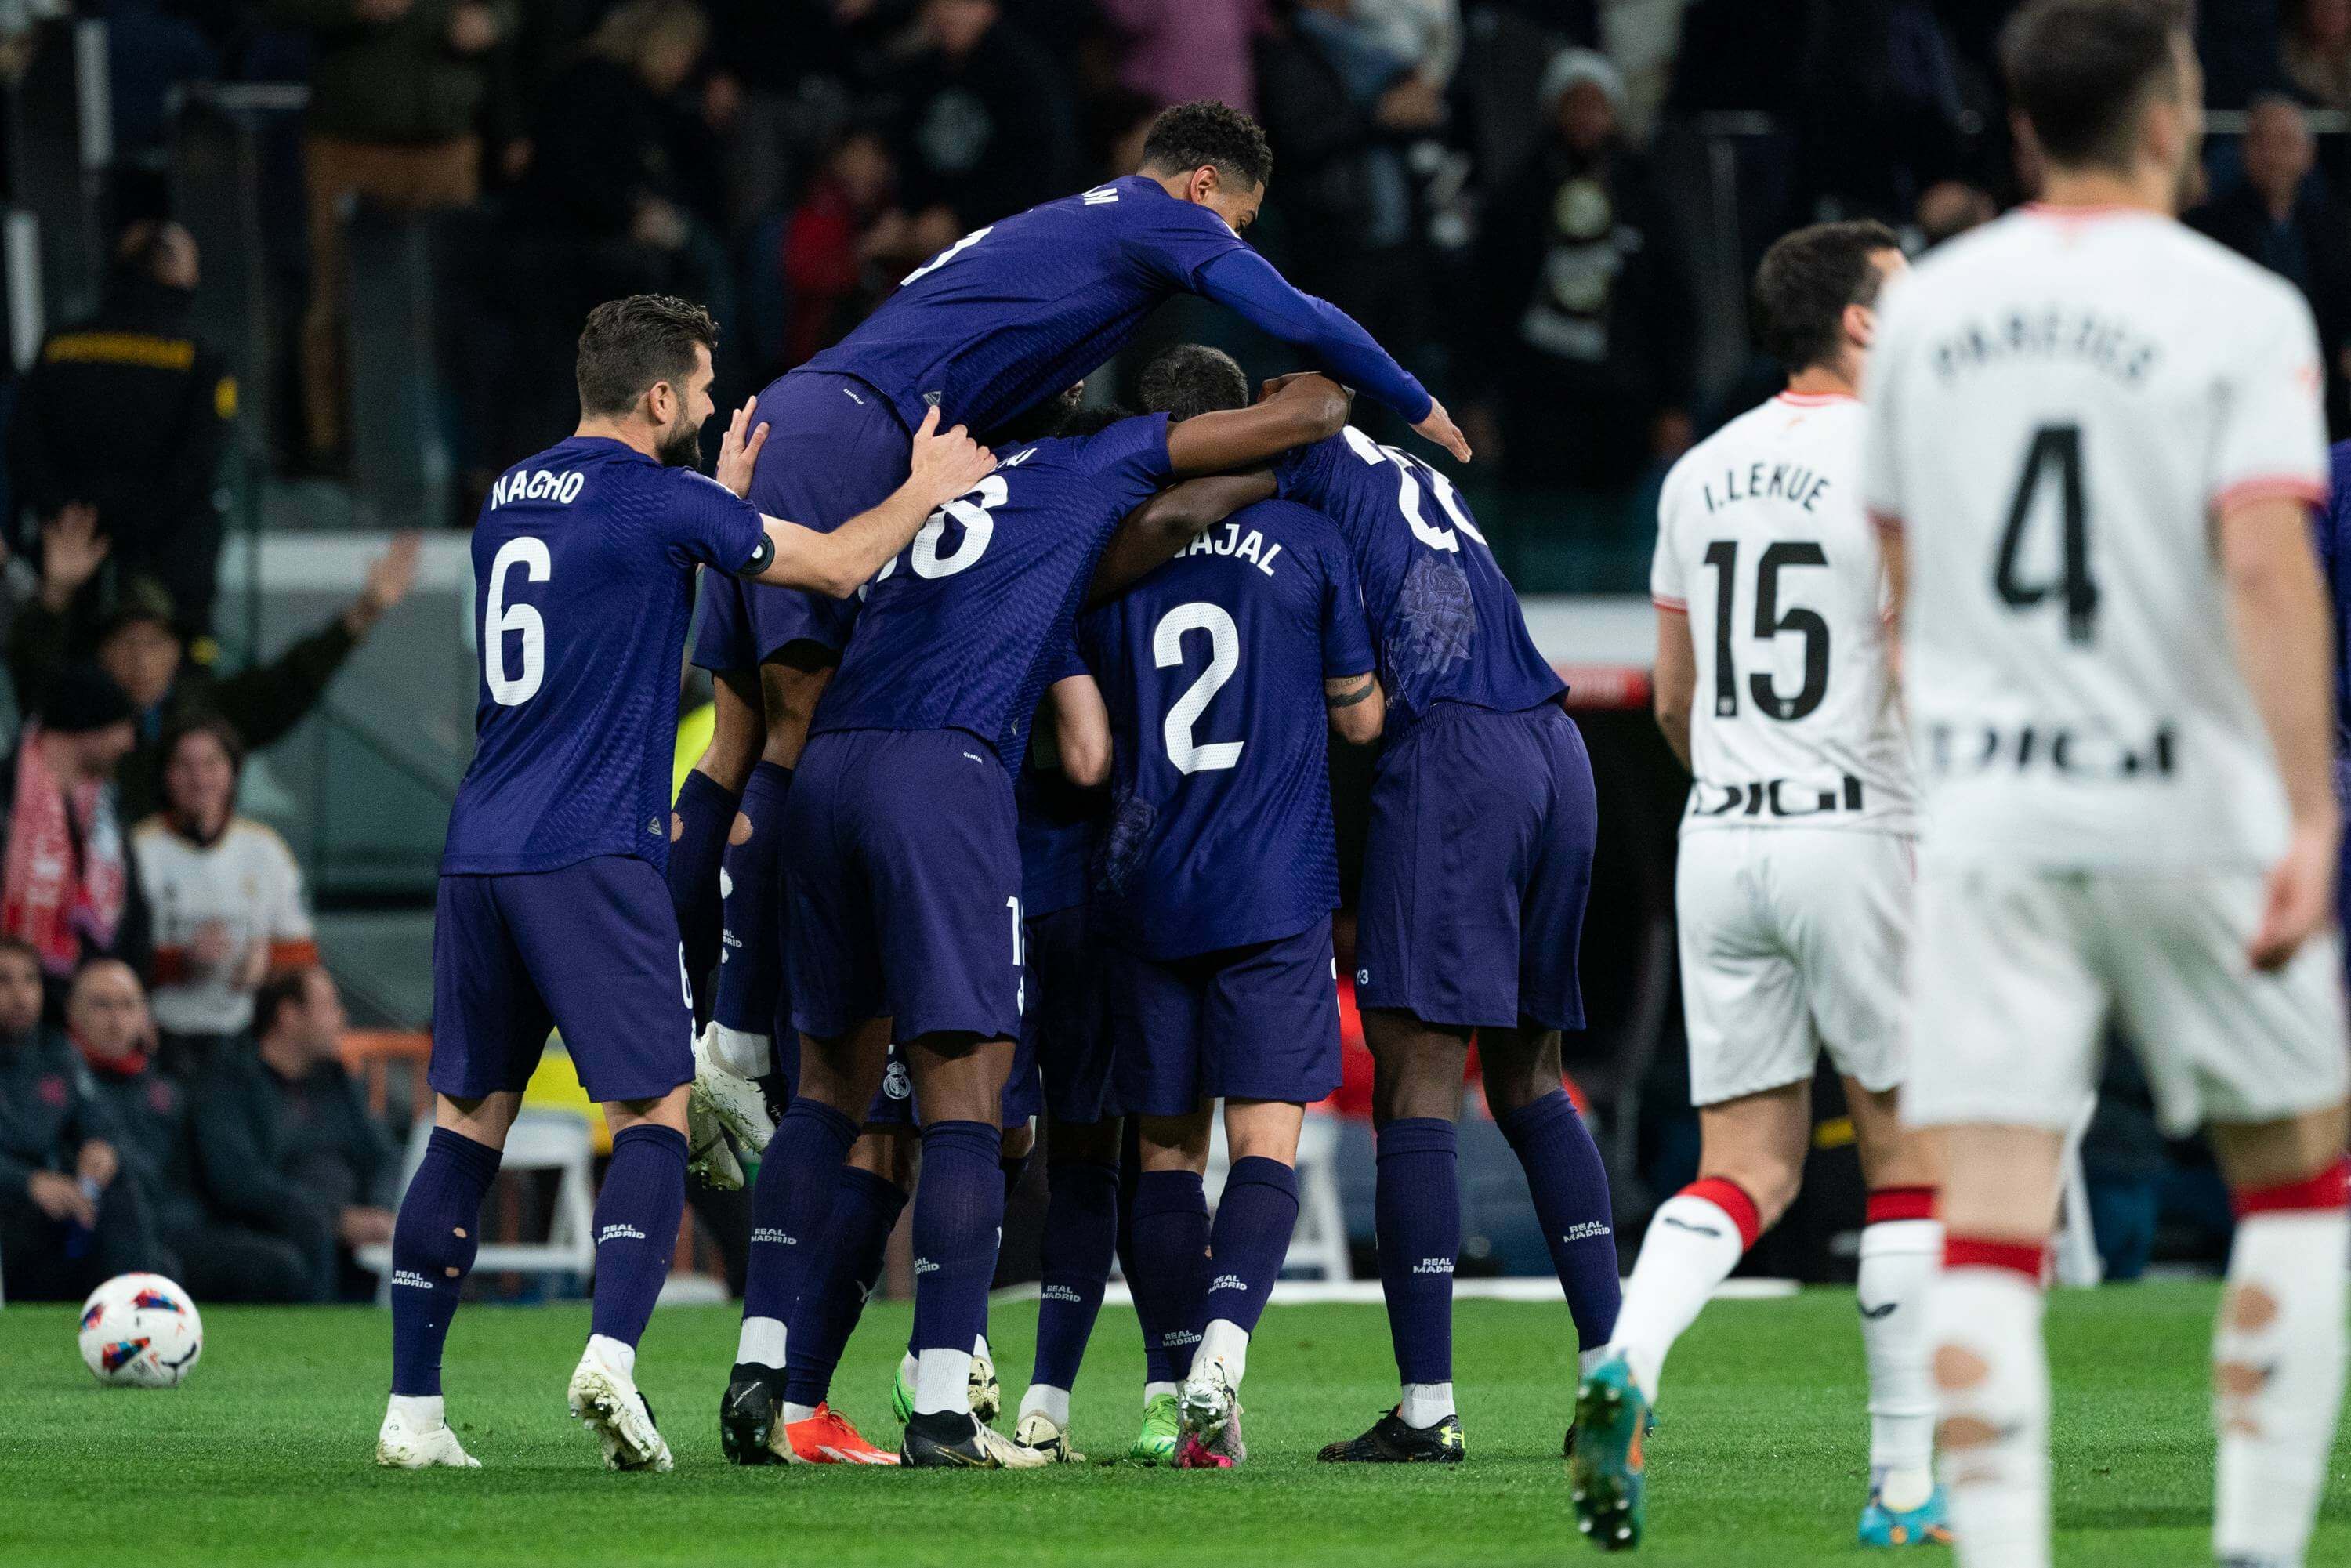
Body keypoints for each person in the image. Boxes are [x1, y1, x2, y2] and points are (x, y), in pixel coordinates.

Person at [669, 98, 1462, 1276]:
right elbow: (1294, 318)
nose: (1232, 249)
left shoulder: (1062, 228)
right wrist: (1411, 398)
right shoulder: (1153, 224)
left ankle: (689, 1020)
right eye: (1236, 225)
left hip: (817, 413)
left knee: (740, 741)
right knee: (795, 732)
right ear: (1202, 189)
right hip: (859, 436)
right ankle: (728, 1045)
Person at [1864, 6, 2349, 1566]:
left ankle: (2003, 1551)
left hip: (1999, 808)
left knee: (1992, 1203)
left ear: (2020, 130)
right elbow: (2267, 564)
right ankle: (2260, 1549)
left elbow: (1901, 562)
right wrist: (2313, 807)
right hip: (2193, 796)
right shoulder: (2238, 304)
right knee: (2297, 1174)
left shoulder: (1930, 310)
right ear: (2168, 120)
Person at [375, 292, 994, 1474]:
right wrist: (926, 487)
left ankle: (414, 1412)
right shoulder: (667, 498)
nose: (713, 407)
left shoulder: (507, 494)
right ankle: (611, 1355)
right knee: (657, 1116)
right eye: (703, 390)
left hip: (479, 848)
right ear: (659, 398)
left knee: (465, 1128)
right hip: (590, 850)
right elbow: (841, 560)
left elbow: (613, 570)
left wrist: (730, 503)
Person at [715, 370, 1351, 1470]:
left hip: (830, 784)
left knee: (845, 1101)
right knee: (1004, 1125)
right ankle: (957, 1408)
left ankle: (777, 1374)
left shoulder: (916, 503)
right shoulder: (1059, 517)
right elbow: (1096, 747)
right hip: (1000, 842)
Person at [1133, 354, 1616, 1466]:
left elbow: (1187, 515)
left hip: (1453, 754)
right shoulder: (1399, 467)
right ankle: (1607, 1379)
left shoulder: (1283, 456)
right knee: (1532, 1075)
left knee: (1416, 1078)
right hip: (1555, 742)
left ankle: (1427, 1406)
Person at [1571, 221, 1947, 1552]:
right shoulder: (1899, 461)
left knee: (1746, 1163)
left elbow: (1673, 702)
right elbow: (1914, 664)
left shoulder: (1697, 474)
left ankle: (1626, 1360)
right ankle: (1905, 1489)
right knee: (1912, 1165)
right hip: (1860, 825)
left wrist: (1740, 779)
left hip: (1720, 833)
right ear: (1854, 322)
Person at [1076, 346, 1385, 1470]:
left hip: (1144, 882)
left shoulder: (1104, 562)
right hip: (1272, 884)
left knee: (1162, 1154)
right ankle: (1222, 1354)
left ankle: (1166, 1397)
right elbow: (1360, 719)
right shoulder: (1306, 540)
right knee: (1265, 1144)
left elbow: (1082, 741)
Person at [11, 515, 421, 824]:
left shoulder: (206, 710)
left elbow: (291, 682)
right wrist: (54, 594)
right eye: (127, 644)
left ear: (176, 653)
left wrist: (366, 611)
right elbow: (35, 674)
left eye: (155, 644)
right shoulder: (77, 716)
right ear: (103, 654)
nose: (141, 660)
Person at [266, 0, 515, 467]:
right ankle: (330, 447)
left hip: (448, 146)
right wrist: (351, 10)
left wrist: (494, 21)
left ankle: (462, 455)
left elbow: (514, 12)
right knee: (331, 298)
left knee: (456, 308)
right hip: (349, 143)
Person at [6, 220, 234, 649]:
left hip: (71, 546)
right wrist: (142, 524)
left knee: (62, 661)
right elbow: (200, 459)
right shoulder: (199, 355)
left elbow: (24, 445)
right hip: (167, 557)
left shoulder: (60, 344)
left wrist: (64, 514)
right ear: (172, 274)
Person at [185, 965, 396, 1305]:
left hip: (357, 1229)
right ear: (289, 1015)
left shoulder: (337, 1080)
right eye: (329, 1006)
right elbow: (237, 1178)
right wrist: (333, 1218)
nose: (341, 1018)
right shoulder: (227, 1082)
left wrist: (378, 1211)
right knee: (309, 1230)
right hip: (274, 1230)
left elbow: (383, 1154)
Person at [132, 720, 318, 1077]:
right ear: (167, 775)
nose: (199, 779)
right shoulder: (140, 848)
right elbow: (114, 956)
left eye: (212, 764)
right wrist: (183, 963)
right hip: (158, 1039)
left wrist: (266, 966)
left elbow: (302, 954)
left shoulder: (265, 848)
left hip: (246, 1039)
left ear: (233, 772)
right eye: (184, 766)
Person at [0, 940, 165, 1299]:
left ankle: (140, 1314)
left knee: (120, 1189)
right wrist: (27, 1182)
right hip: (12, 1204)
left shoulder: (58, 1054)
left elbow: (97, 1122)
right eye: (4, 981)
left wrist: (100, 1149)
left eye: (30, 981)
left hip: (54, 1210)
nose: (20, 995)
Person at [2186, 95, 2351, 433]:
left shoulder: (2336, 228)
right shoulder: (2207, 227)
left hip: (2324, 390)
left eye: (2286, 142)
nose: (2273, 155)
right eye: (2262, 142)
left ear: (2309, 154)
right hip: (2236, 384)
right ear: (2243, 152)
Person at [1, 665, 147, 1012]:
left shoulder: (106, 809)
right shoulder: (8, 799)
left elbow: (134, 912)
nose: (129, 742)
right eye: (119, 727)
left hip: (88, 1012)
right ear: (86, 729)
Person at [66, 958, 201, 1287]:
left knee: (275, 1265)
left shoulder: (169, 1088)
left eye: (128, 1005)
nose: (116, 1018)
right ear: (74, 1013)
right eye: (102, 1005)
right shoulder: (60, 1082)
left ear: (144, 1016)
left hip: (168, 1223)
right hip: (87, 1227)